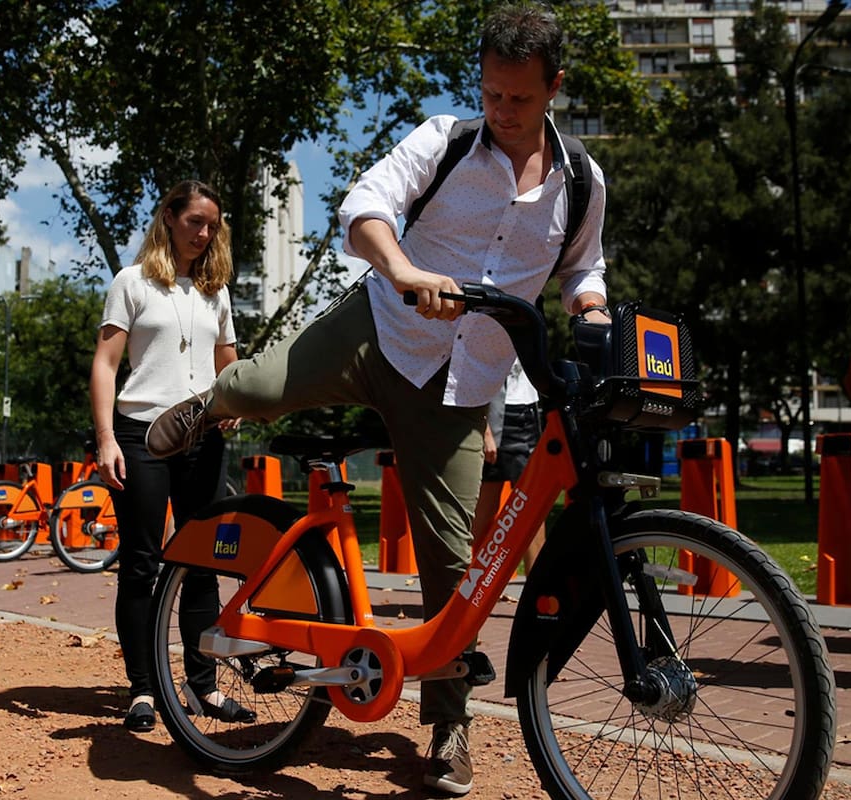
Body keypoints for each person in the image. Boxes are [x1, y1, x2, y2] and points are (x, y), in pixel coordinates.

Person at [142, 4, 609, 794]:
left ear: (555, 88)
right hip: (380, 330)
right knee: (260, 384)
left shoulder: (583, 183)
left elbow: (583, 271)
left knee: (454, 567)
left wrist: (591, 313)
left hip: (460, 390)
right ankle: (209, 404)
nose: (501, 110)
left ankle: (448, 731)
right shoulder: (446, 139)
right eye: (492, 93)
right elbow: (365, 205)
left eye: (520, 99)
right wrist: (401, 270)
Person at [89, 179, 251, 732]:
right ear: (169, 218)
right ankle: (142, 689)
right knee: (141, 562)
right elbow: (107, 364)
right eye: (194, 223)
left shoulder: (216, 290)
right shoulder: (131, 282)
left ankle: (201, 686)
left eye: (212, 226)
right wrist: (106, 439)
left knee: (204, 560)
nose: (204, 234)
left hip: (202, 437)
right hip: (141, 437)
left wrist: (232, 399)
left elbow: (227, 363)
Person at [472, 358, 546, 572]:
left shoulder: (534, 324)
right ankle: (453, 585)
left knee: (533, 506)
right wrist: (485, 430)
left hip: (531, 414)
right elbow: (472, 373)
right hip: (499, 419)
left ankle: (536, 591)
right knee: (484, 510)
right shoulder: (489, 325)